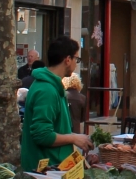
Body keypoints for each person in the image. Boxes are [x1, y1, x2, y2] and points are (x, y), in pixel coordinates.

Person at [20, 38, 93, 171]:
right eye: (77, 59)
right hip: (45, 174)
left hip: (55, 169)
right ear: (67, 59)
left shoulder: (53, 87)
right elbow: (42, 135)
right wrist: (73, 138)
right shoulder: (46, 90)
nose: (76, 64)